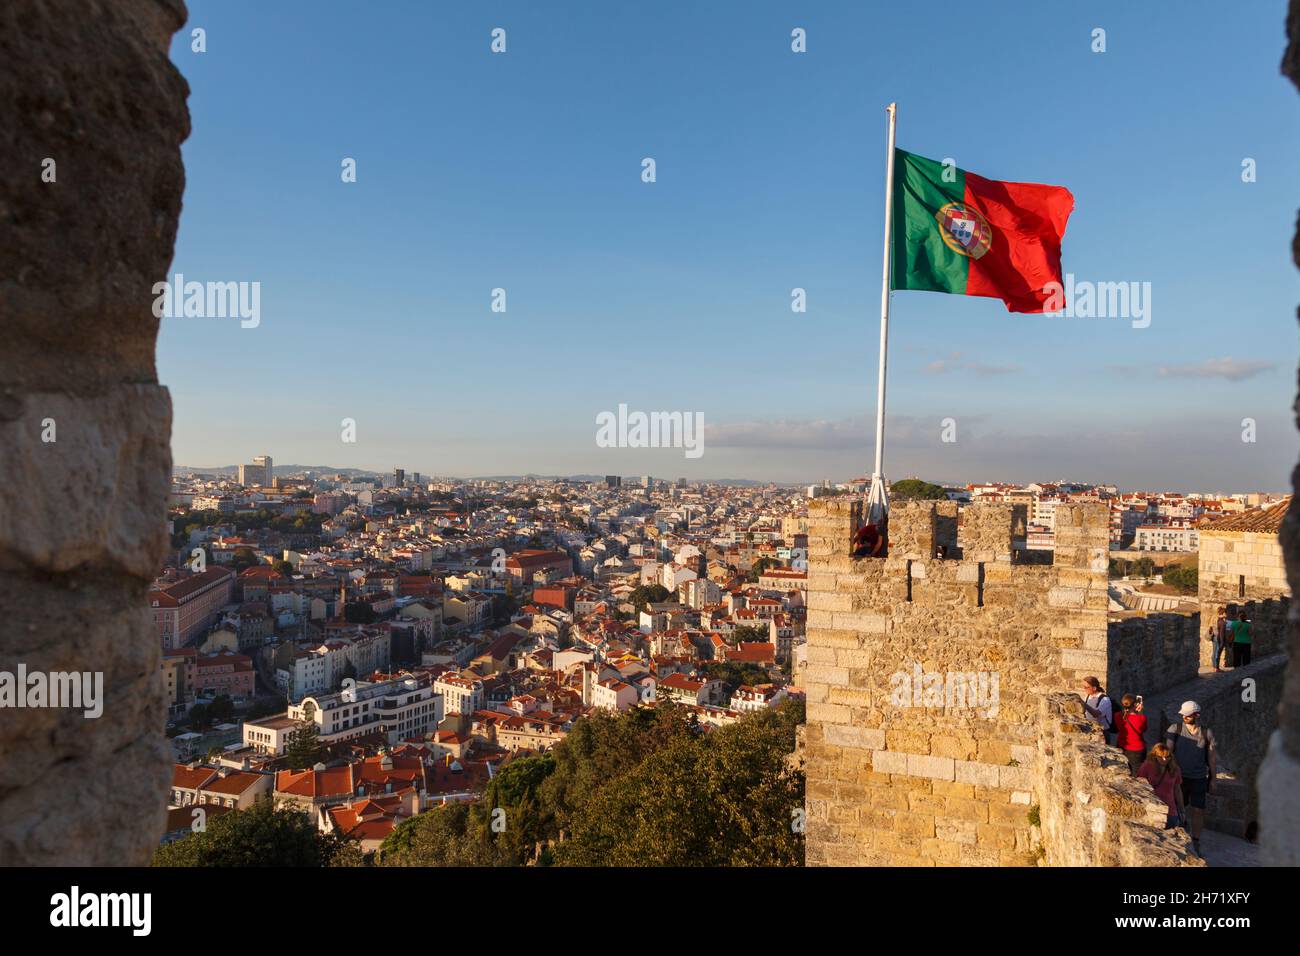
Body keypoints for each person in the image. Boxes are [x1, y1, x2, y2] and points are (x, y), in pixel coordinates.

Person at [1165, 700, 1216, 858]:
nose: (1185, 717)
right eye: (1183, 715)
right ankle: (1178, 835)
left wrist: (1213, 779)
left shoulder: (1206, 733)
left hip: (1199, 777)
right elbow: (1168, 751)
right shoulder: (1175, 729)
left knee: (1198, 810)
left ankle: (1196, 840)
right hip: (1179, 777)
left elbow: (1212, 757)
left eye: (1188, 715)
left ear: (1197, 715)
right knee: (1178, 807)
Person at [1138, 742, 1186, 830]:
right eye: (1161, 757)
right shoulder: (1147, 766)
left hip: (1170, 810)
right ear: (1154, 756)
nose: (1164, 759)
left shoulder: (1175, 769)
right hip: (1152, 808)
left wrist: (1182, 809)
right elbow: (1139, 785)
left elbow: (1177, 790)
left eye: (1167, 757)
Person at [1114, 693, 1148, 776]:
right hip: (1136, 749)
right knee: (1136, 772)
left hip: (1121, 745)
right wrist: (1140, 712)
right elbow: (1143, 730)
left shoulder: (1117, 715)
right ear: (1135, 704)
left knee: (1122, 768)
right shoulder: (1141, 718)